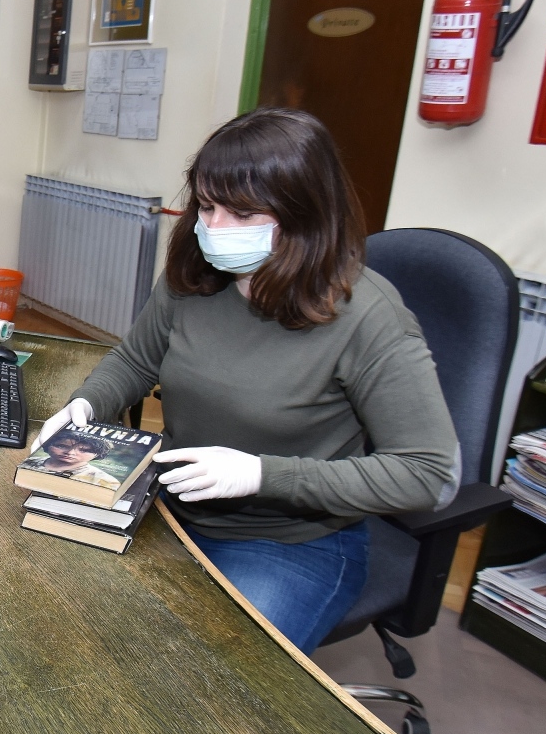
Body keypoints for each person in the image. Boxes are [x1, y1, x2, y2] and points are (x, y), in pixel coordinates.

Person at [33, 108, 460, 654]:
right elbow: (138, 361)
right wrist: (87, 405)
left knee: (208, 678)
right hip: (172, 507)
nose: (213, 229)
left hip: (292, 542)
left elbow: (428, 475)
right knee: (68, 619)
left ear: (303, 213)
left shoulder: (369, 317)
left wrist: (262, 475)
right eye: (206, 207)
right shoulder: (196, 276)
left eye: (241, 213)